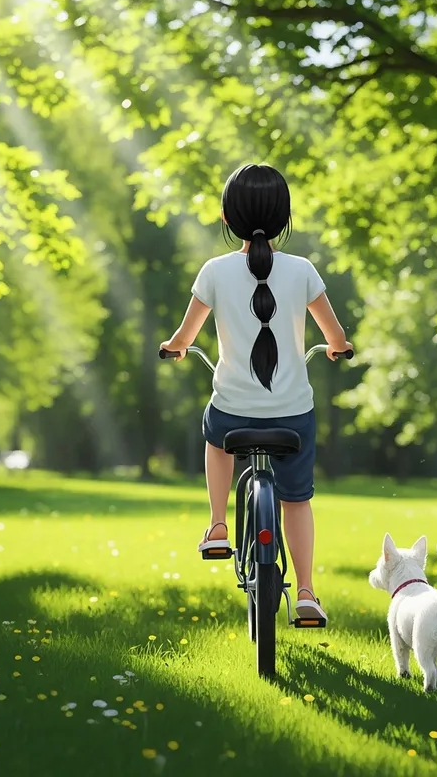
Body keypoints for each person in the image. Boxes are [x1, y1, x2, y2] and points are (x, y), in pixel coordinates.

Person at [160, 163, 352, 623]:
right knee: (296, 500)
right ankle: (306, 591)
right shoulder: (303, 271)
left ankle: (218, 524)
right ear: (285, 218)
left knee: (215, 434)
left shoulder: (214, 272)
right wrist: (337, 348)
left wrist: (176, 347)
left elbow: (185, 336)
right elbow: (336, 335)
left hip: (234, 412)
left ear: (226, 217)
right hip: (292, 415)